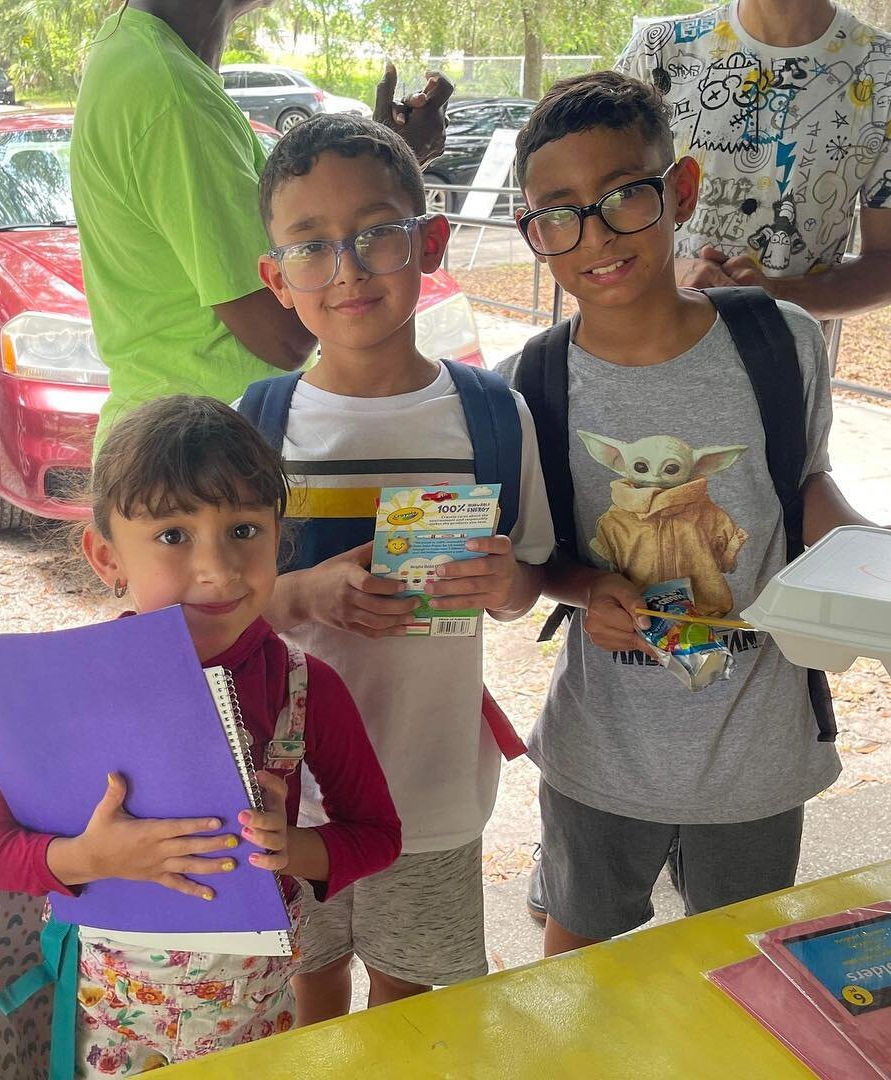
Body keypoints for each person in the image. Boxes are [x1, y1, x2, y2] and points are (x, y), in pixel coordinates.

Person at [501, 72, 891, 957]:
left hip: (757, 745)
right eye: (559, 213)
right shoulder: (531, 382)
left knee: (739, 960)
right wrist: (588, 590)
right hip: (603, 747)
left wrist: (875, 548)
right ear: (534, 231)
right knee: (580, 958)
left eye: (625, 196)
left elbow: (802, 486)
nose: (596, 235)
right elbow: (537, 561)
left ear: (680, 190)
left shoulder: (779, 340)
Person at [0, 396, 401, 1075]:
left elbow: (378, 835)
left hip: (252, 1027)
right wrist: (89, 858)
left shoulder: (306, 688)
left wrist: (294, 848)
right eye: (172, 536)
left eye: (245, 530)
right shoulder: (71, 689)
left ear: (279, 537)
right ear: (107, 557)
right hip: (105, 1026)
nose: (217, 568)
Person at [239, 114, 555, 1021]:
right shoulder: (254, 426)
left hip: (431, 786)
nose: (348, 270)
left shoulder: (494, 417)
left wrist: (505, 584)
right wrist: (302, 591)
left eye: (378, 234)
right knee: (305, 991)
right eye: (312, 247)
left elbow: (525, 583)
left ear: (432, 240)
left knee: (409, 1003)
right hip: (287, 800)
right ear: (278, 278)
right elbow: (207, 608)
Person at [70, 0, 453, 448]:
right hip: (199, 463)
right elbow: (283, 333)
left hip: (186, 449)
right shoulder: (170, 93)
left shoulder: (137, 55)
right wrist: (388, 168)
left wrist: (388, 167)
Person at [617, 0, 891, 320]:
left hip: (780, 356)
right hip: (639, 337)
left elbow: (890, 267)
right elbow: (592, 203)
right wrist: (678, 274)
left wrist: (774, 295)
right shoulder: (658, 51)